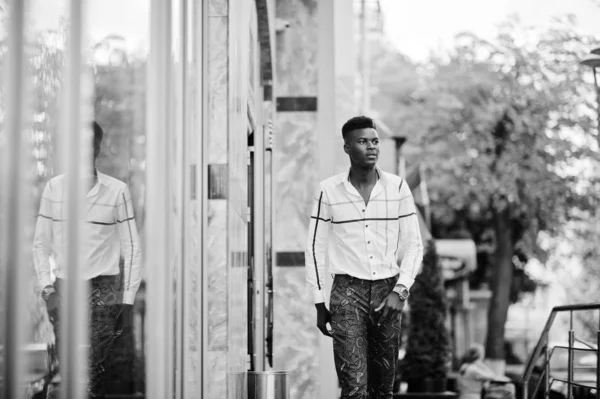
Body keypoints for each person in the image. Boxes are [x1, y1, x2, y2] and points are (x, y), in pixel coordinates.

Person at [305, 116, 424, 398]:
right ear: (347, 147)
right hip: (347, 294)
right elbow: (314, 247)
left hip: (387, 291)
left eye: (374, 141)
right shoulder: (328, 191)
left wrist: (401, 290)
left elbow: (415, 245)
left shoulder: (397, 188)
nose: (371, 147)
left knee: (383, 389)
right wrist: (320, 301)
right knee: (355, 387)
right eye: (362, 142)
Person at [33, 121, 141, 398]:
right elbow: (40, 243)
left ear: (97, 148)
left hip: (103, 287)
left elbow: (132, 248)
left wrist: (126, 301)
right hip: (64, 287)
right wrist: (47, 289)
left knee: (95, 371)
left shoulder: (117, 191)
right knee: (71, 369)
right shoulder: (54, 189)